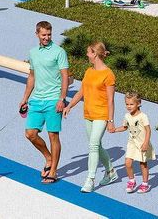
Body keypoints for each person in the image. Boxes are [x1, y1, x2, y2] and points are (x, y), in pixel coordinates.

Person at [63, 41, 119, 192]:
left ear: (95, 54)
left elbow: (111, 100)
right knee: (97, 145)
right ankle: (111, 171)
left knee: (93, 145)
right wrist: (69, 106)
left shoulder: (108, 74)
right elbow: (81, 92)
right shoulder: (89, 71)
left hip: (101, 115)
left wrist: (110, 121)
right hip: (88, 114)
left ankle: (90, 179)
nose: (87, 55)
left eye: (88, 52)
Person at [21, 20, 69, 184]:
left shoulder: (59, 52)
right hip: (36, 100)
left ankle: (53, 171)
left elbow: (65, 76)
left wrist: (62, 98)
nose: (46, 37)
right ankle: (48, 157)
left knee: (53, 135)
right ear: (37, 34)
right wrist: (25, 98)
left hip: (53, 100)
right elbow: (32, 76)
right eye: (43, 35)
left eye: (49, 34)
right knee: (30, 134)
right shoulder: (33, 52)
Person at [113, 91, 153, 193]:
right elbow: (125, 127)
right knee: (127, 163)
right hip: (132, 143)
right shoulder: (127, 116)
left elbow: (148, 130)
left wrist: (146, 143)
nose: (129, 106)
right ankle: (132, 181)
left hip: (142, 143)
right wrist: (115, 130)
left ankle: (145, 184)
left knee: (143, 164)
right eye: (127, 104)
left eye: (131, 104)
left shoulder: (143, 116)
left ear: (138, 103)